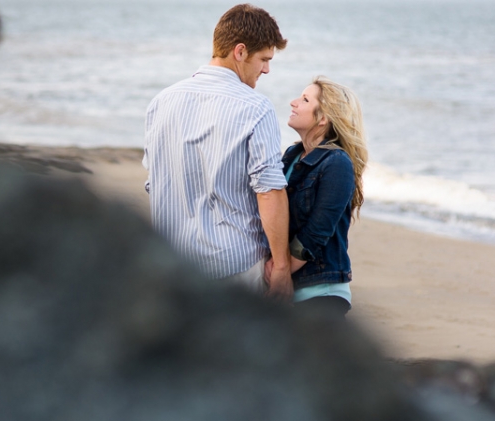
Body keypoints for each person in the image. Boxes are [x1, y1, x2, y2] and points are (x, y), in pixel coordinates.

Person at [143, 4, 292, 300]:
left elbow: (154, 182)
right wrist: (282, 265)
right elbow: (269, 191)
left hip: (172, 267)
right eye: (263, 59)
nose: (266, 69)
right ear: (239, 52)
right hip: (234, 267)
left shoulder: (160, 102)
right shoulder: (255, 107)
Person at [269, 77, 368, 317]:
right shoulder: (293, 154)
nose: (293, 103)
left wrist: (281, 272)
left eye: (304, 99)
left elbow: (316, 232)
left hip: (321, 293)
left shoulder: (337, 163)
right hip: (288, 288)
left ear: (323, 118)